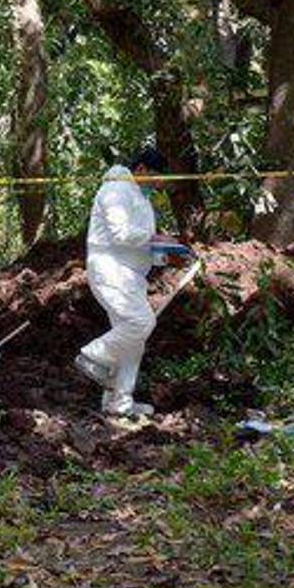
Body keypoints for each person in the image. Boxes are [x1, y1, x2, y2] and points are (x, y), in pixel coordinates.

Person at [74, 147, 169, 418]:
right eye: (156, 176)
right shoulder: (117, 189)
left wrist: (163, 252)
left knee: (133, 340)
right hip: (111, 269)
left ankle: (119, 402)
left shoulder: (140, 197)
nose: (159, 183)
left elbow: (141, 240)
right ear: (140, 169)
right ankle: (93, 355)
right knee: (141, 323)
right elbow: (121, 233)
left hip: (130, 275)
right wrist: (154, 239)